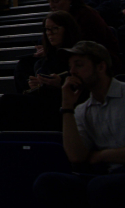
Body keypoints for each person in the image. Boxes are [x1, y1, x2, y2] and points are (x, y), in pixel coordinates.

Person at [32, 41, 125, 207]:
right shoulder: (82, 109)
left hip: (110, 178)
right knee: (48, 182)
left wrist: (102, 155)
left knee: (101, 187)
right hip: (103, 176)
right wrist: (67, 107)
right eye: (70, 66)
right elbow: (76, 156)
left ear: (101, 67)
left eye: (79, 65)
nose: (72, 72)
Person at [44, 0, 122, 71]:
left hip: (97, 63)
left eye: (56, 1)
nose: (52, 6)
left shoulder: (86, 15)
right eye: (49, 2)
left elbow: (86, 49)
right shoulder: (55, 18)